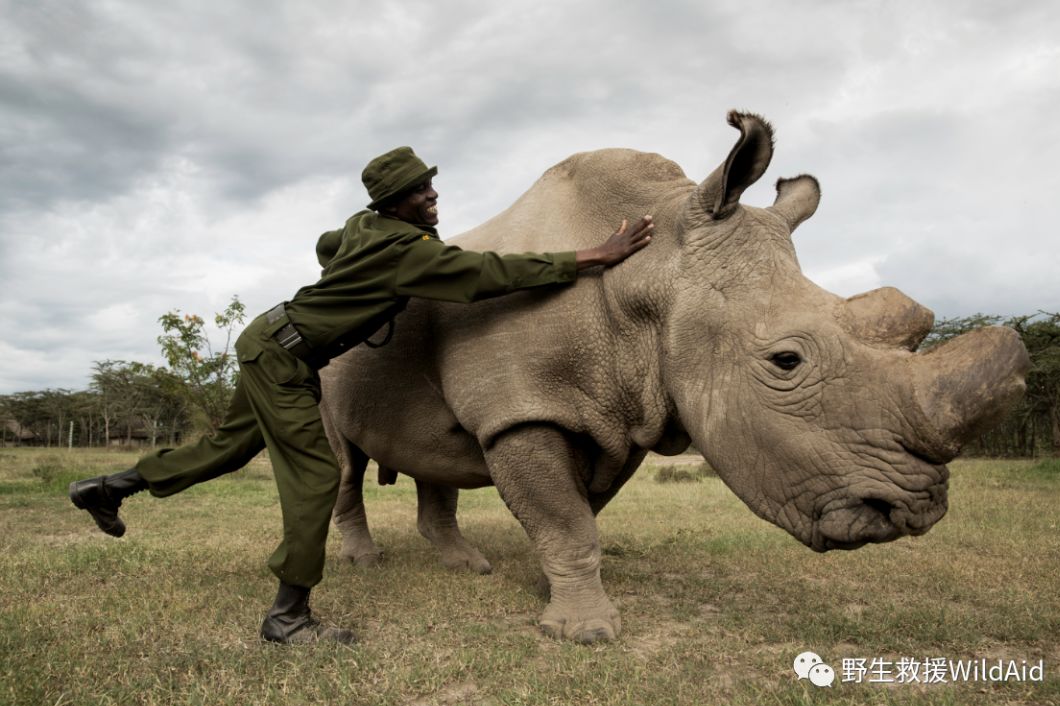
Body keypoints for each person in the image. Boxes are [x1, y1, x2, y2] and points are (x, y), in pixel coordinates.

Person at [69, 146, 653, 645]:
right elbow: (488, 273)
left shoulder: (364, 228)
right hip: (284, 356)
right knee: (318, 478)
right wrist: (593, 256)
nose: (431, 195)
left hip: (271, 341)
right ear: (392, 203)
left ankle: (108, 487)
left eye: (430, 184)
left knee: (226, 449)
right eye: (418, 191)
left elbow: (328, 243)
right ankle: (288, 618)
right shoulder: (405, 252)